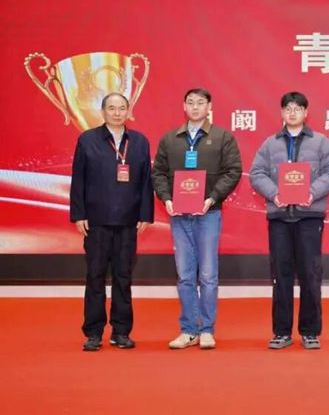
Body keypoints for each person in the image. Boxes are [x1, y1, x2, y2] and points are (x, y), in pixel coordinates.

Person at [250, 91, 329, 350]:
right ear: (282, 112)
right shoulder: (270, 143)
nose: (292, 113)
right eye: (288, 108)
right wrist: (274, 194)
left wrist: (312, 192)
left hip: (309, 216)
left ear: (306, 112)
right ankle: (281, 332)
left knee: (310, 274)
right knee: (280, 275)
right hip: (279, 217)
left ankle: (310, 331)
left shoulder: (321, 142)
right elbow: (256, 173)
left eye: (297, 108)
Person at [152, 88, 242, 350]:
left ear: (209, 107)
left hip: (208, 214)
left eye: (200, 103)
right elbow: (158, 173)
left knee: (209, 275)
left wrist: (212, 198)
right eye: (190, 102)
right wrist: (167, 198)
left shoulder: (222, 137)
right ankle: (188, 329)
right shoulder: (170, 139)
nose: (195, 107)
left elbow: (233, 171)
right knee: (185, 275)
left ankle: (207, 329)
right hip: (179, 215)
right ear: (184, 106)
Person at [69, 92, 153, 351]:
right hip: (96, 221)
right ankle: (93, 332)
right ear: (103, 111)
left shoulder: (139, 142)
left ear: (129, 111)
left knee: (123, 276)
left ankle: (121, 331)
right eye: (112, 108)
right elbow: (78, 179)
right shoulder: (87, 140)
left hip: (128, 221)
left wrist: (145, 214)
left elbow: (146, 181)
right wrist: (79, 214)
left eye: (122, 108)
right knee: (95, 276)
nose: (117, 113)